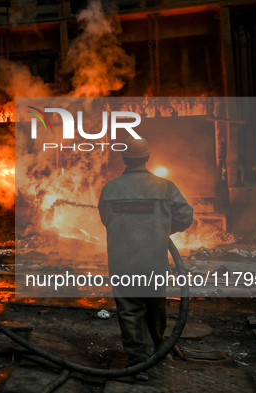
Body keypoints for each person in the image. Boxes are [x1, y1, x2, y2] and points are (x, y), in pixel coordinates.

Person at [97, 136, 193, 381]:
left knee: (129, 310)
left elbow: (107, 220)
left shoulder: (110, 188)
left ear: (124, 158)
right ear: (147, 157)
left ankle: (139, 363)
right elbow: (185, 217)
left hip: (122, 260)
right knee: (155, 305)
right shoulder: (165, 187)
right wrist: (160, 229)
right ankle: (159, 350)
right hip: (154, 261)